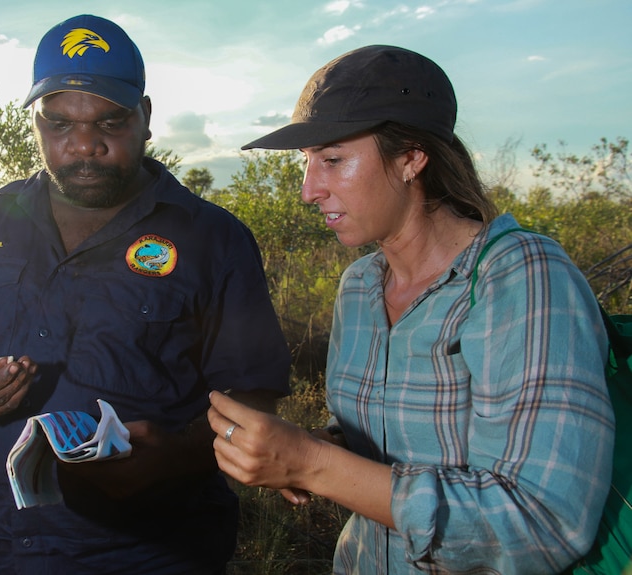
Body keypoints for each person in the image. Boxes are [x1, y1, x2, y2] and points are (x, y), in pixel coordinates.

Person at [0, 14, 291, 575]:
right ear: (34, 123)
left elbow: (255, 397)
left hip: (156, 552)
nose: (85, 146)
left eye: (110, 122)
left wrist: (176, 456)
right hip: (0, 547)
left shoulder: (214, 239)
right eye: (58, 124)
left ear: (146, 118)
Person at [207, 45, 615, 574]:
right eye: (306, 164)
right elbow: (377, 434)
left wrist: (312, 465)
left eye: (332, 160)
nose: (309, 190)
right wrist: (312, 445)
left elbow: (542, 523)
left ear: (411, 158)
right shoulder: (359, 286)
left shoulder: (521, 274)